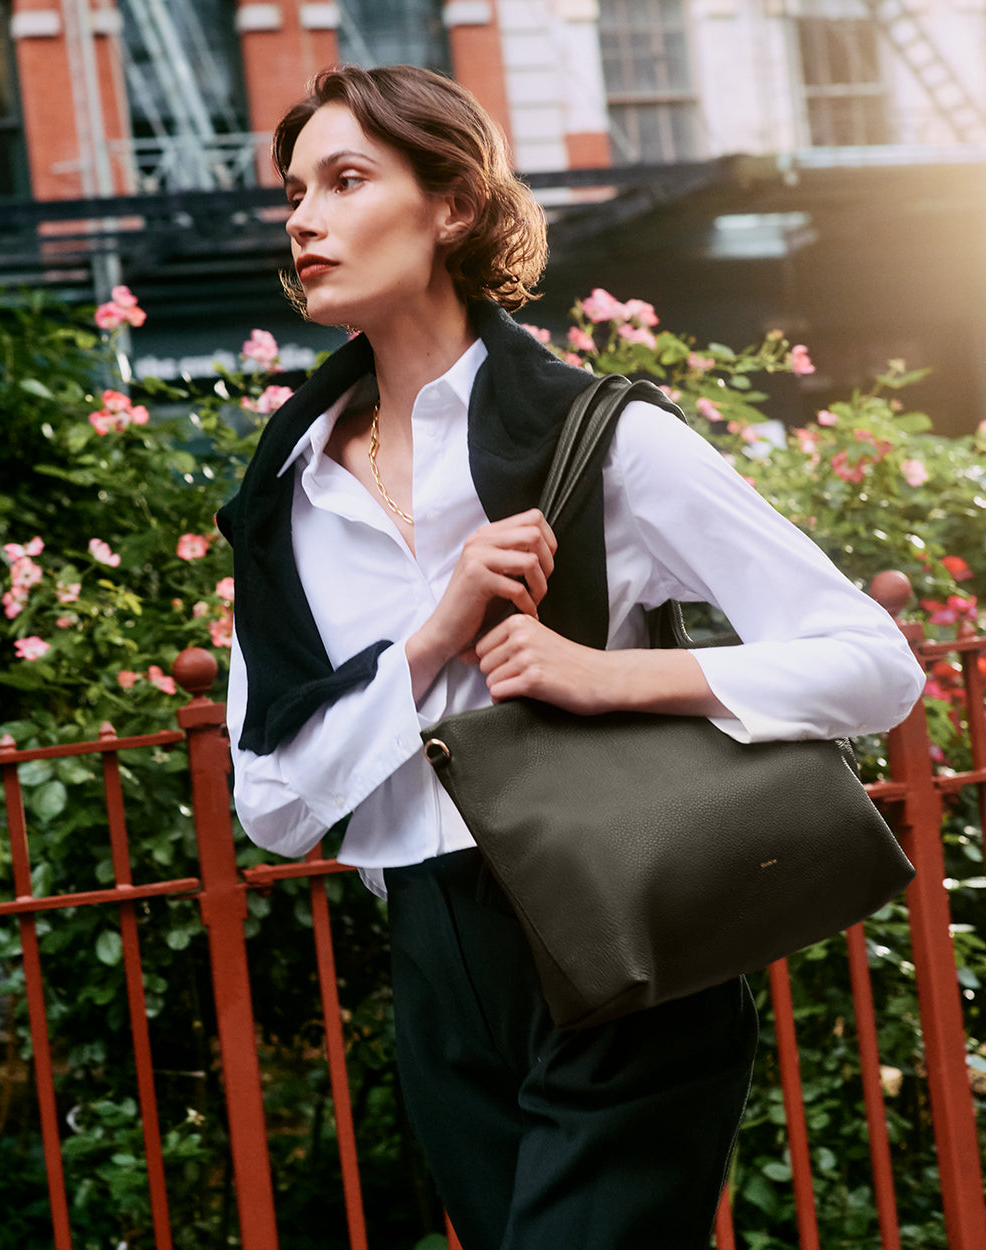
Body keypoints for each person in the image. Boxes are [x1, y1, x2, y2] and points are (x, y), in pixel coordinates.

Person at [219, 64, 925, 1250]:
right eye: (295, 190)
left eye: (345, 179)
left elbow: (871, 659)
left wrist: (611, 673)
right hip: (435, 967)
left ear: (451, 205)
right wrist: (435, 634)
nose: (303, 217)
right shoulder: (283, 498)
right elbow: (275, 803)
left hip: (616, 926)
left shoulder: (604, 437)